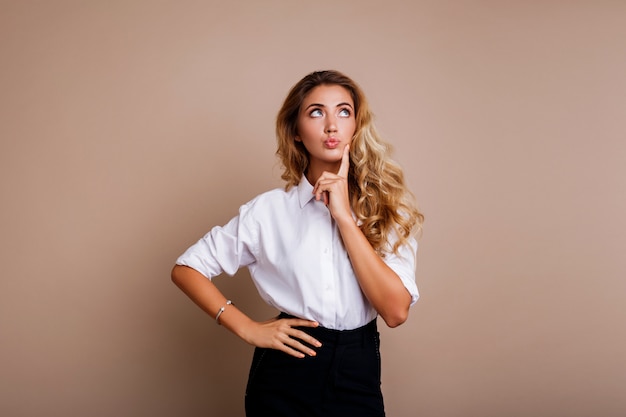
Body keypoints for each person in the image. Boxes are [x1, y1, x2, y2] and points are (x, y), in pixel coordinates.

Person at [171, 69, 424, 417]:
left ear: (356, 125)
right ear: (296, 133)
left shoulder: (388, 209)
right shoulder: (269, 211)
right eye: (316, 112)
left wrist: (344, 219)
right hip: (285, 374)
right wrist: (246, 328)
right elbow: (187, 268)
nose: (332, 125)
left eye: (344, 111)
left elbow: (395, 312)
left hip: (358, 371)